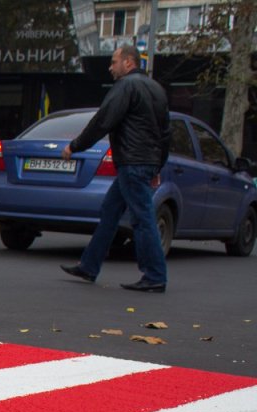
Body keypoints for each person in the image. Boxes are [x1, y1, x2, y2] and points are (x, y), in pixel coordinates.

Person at [60, 45, 171, 293]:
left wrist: (74, 146)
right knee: (110, 210)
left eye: (114, 62)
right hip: (144, 162)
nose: (110, 68)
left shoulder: (125, 87)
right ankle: (89, 265)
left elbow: (103, 120)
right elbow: (166, 133)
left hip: (132, 162)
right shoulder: (157, 90)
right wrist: (157, 164)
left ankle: (154, 275)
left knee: (142, 218)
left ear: (129, 63)